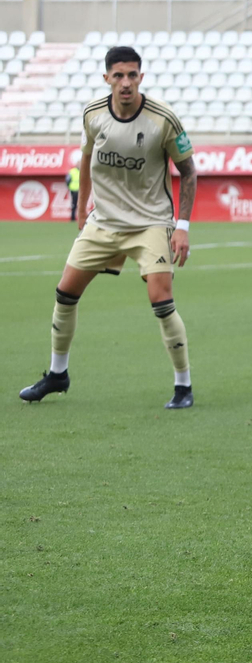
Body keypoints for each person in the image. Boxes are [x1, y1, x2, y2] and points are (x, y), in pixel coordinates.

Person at [18, 46, 198, 409]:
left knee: (161, 300)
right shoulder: (93, 114)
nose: (126, 82)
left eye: (132, 75)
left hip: (151, 222)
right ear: (107, 79)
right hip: (104, 221)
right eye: (118, 75)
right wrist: (83, 206)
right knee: (65, 292)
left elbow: (189, 172)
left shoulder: (164, 118)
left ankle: (183, 386)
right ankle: (57, 374)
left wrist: (182, 226)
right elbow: (85, 161)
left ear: (141, 78)